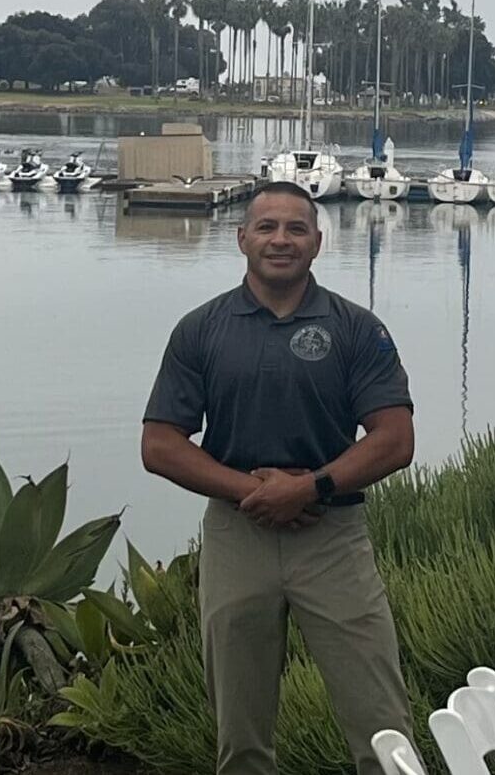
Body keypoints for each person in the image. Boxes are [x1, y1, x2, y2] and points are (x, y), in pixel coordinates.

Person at [142, 180, 415, 775]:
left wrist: (311, 487)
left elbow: (395, 439)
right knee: (241, 740)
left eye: (296, 228)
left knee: (384, 728)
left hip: (333, 538)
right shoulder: (201, 329)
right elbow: (159, 445)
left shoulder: (356, 328)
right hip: (238, 536)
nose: (281, 240)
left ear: (318, 242)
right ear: (241, 239)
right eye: (266, 227)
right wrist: (254, 492)